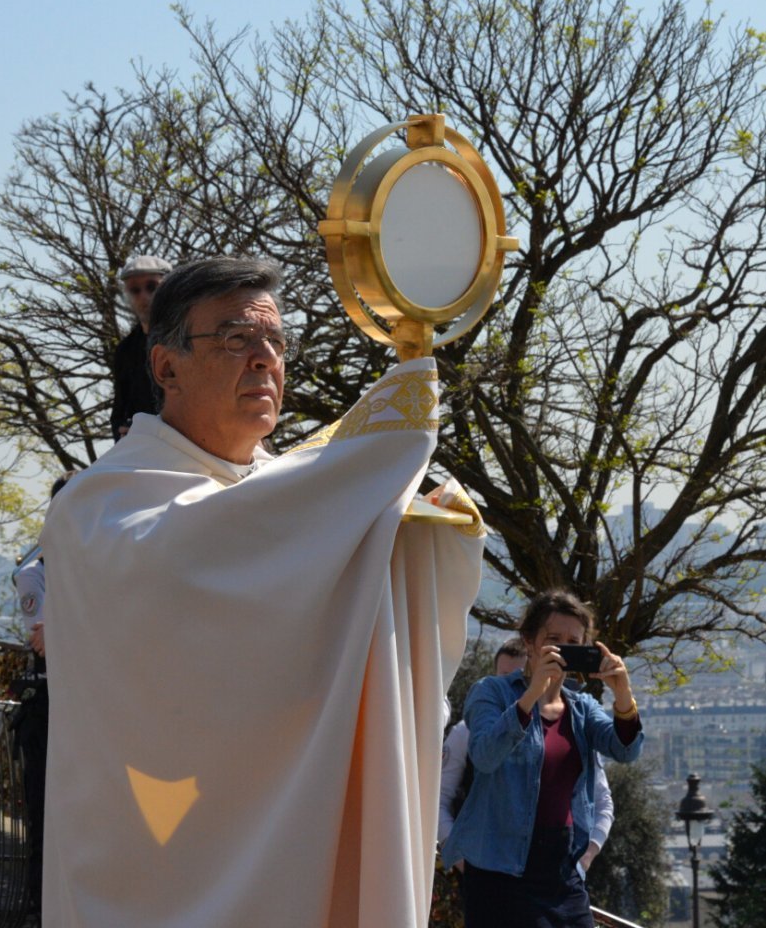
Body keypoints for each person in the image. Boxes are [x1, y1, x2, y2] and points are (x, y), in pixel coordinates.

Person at [41, 256, 486, 928]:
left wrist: (409, 529)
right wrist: (379, 453)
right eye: (234, 339)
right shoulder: (98, 506)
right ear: (165, 368)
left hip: (296, 849)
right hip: (150, 863)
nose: (262, 359)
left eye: (275, 341)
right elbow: (191, 558)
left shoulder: (308, 505)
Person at [442, 589, 643, 928]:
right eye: (553, 639)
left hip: (561, 870)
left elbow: (625, 750)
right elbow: (486, 755)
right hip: (499, 870)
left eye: (573, 641)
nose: (563, 648)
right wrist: (532, 693)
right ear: (529, 642)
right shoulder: (490, 692)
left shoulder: (581, 708)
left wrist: (623, 694)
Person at [438, 637, 615, 873]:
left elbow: (601, 799)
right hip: (485, 869)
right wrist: (459, 855)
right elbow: (439, 798)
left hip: (556, 869)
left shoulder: (572, 723)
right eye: (504, 677)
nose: (513, 685)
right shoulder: (465, 733)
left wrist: (586, 856)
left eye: (520, 677)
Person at [11, 473, 73, 923]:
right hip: (52, 702)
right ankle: (40, 910)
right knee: (46, 816)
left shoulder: (102, 559)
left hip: (93, 704)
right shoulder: (37, 569)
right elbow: (46, 640)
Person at [110, 254, 172, 440]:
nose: (143, 297)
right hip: (141, 449)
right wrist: (122, 432)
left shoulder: (190, 338)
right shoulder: (126, 350)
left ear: (169, 289)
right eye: (135, 290)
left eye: (151, 287)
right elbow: (121, 407)